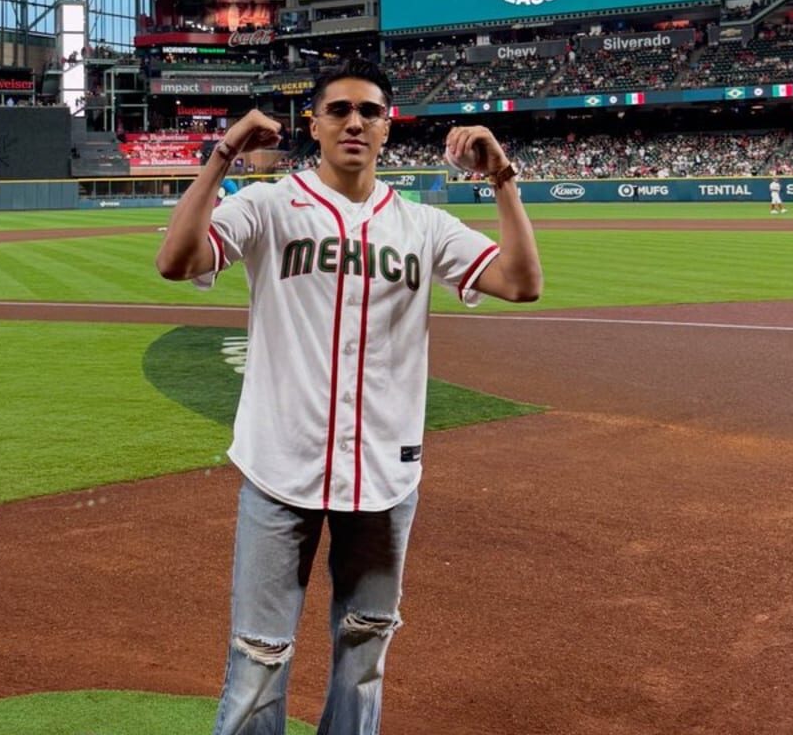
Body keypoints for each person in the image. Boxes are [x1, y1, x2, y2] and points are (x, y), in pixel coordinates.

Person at [155, 58, 542, 735]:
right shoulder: (270, 205)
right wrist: (221, 155)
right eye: (339, 110)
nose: (355, 122)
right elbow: (177, 260)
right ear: (314, 124)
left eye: (370, 111)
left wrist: (502, 177)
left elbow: (521, 281)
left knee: (365, 651)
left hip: (384, 475)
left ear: (388, 128)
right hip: (280, 469)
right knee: (258, 659)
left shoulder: (422, 224)